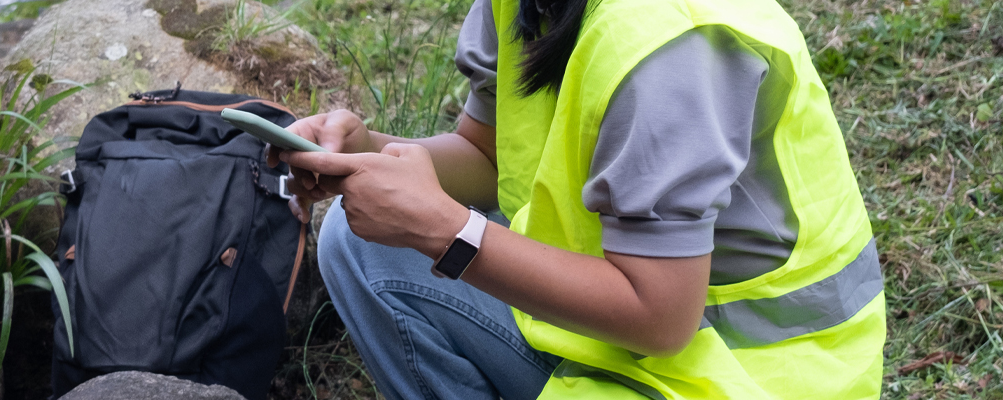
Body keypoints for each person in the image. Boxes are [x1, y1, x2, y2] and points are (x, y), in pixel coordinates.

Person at [268, 0, 886, 398]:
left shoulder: (671, 43)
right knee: (360, 244)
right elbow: (485, 154)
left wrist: (443, 230)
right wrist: (371, 152)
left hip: (738, 376)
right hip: (622, 333)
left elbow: (661, 319)